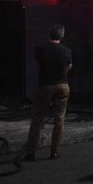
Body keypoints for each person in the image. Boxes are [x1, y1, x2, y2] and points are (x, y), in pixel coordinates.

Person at [23, 24, 73, 161]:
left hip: (45, 86)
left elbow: (38, 64)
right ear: (61, 36)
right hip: (62, 85)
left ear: (49, 35)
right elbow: (69, 67)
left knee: (38, 118)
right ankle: (54, 152)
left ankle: (31, 152)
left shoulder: (40, 50)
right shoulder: (67, 50)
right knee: (59, 119)